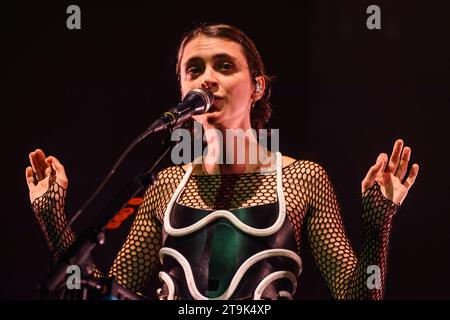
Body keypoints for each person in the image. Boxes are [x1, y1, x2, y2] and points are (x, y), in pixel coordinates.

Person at [25, 23, 419, 300]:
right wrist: (51, 214)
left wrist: (377, 221)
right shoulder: (165, 185)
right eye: (194, 69)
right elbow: (104, 293)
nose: (206, 79)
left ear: (257, 87)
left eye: (224, 66)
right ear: (182, 88)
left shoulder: (302, 178)